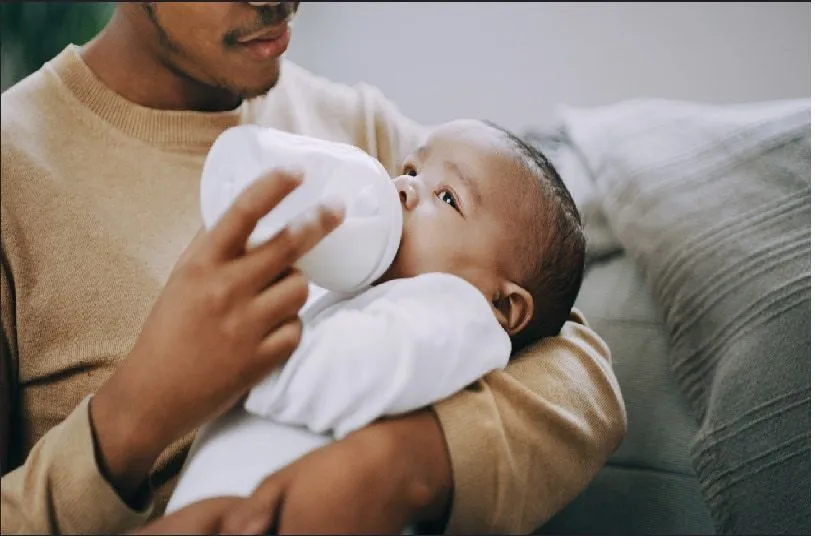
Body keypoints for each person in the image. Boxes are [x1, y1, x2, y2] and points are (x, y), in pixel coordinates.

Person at [0, 2, 626, 534]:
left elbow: (571, 356)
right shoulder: (13, 175)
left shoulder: (359, 127)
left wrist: (409, 464)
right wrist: (137, 413)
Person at [167, 117, 589, 513]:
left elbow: (346, 370)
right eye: (411, 168)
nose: (403, 186)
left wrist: (234, 355)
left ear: (502, 305)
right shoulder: (357, 281)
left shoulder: (458, 314)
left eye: (447, 197)